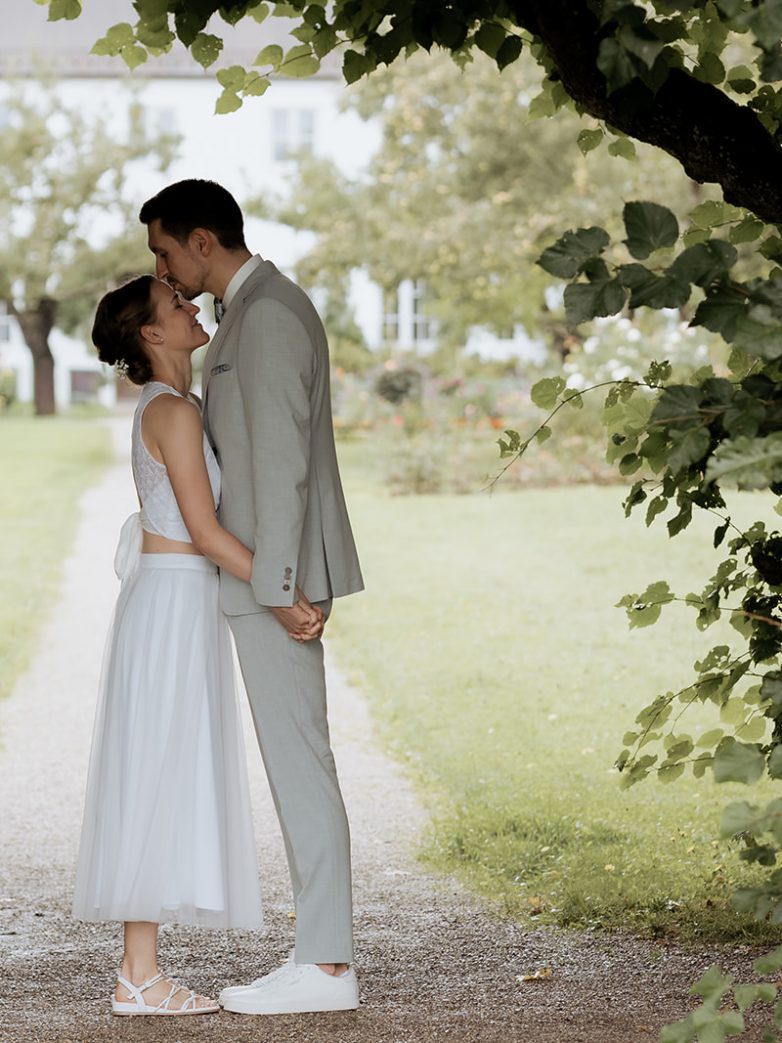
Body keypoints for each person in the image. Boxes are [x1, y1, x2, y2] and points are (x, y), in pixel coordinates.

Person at [139, 179, 364, 1015]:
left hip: (275, 582)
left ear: (202, 240)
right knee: (295, 762)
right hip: (267, 578)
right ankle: (318, 953)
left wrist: (277, 589)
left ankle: (329, 967)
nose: (163, 270)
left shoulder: (265, 314)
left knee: (301, 764)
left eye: (165, 252)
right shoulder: (250, 310)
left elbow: (281, 463)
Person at [72, 276, 323, 1016]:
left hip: (177, 597)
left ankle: (139, 970)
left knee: (160, 766)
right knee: (154, 767)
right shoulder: (174, 412)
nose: (191, 306)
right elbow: (206, 533)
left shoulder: (179, 404)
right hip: (174, 601)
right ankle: (137, 975)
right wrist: (283, 593)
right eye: (175, 305)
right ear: (152, 334)